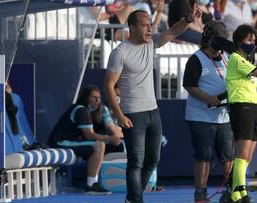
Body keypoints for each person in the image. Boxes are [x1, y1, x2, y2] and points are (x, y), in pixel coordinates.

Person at [104, 6, 202, 203]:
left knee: (153, 160)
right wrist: (120, 115)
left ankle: (133, 198)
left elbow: (173, 31)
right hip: (132, 114)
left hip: (153, 112)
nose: (149, 29)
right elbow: (108, 86)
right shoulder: (120, 52)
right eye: (144, 25)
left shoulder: (151, 43)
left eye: (150, 25)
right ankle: (136, 199)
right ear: (131, 28)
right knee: (136, 162)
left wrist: (189, 19)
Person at [182, 21, 234, 203]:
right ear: (208, 39)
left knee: (228, 156)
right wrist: (208, 98)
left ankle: (231, 191)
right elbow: (188, 85)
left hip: (224, 116)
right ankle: (200, 193)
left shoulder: (227, 57)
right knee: (204, 155)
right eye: (217, 40)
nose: (220, 44)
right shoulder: (197, 58)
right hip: (201, 116)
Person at [48, 86, 122, 194]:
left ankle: (94, 182)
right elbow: (88, 135)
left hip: (71, 141)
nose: (97, 100)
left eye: (99, 98)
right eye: (94, 97)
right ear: (86, 98)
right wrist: (109, 139)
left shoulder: (87, 110)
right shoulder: (81, 110)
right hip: (61, 141)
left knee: (100, 145)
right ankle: (91, 184)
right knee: (99, 145)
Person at [225, 24, 257, 203]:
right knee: (241, 155)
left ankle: (237, 192)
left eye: (253, 40)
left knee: (248, 156)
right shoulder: (235, 58)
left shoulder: (247, 60)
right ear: (238, 40)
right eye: (249, 40)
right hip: (241, 107)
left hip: (253, 107)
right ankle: (241, 194)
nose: (252, 43)